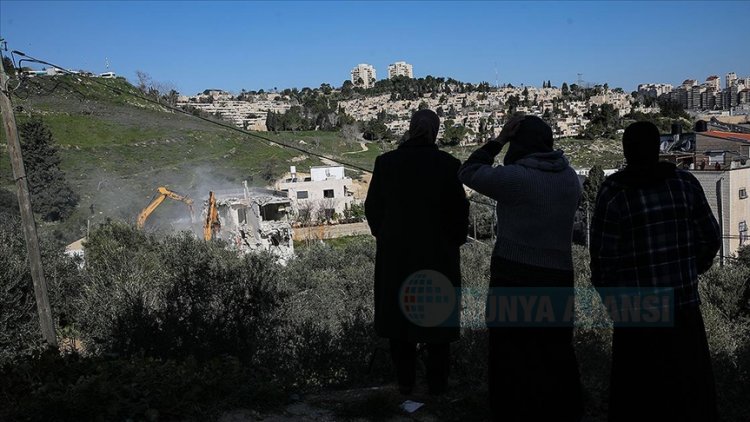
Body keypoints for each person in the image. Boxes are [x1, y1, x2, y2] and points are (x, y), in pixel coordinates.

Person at [590, 121, 721, 422]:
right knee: (691, 398)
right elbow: (710, 238)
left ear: (625, 150)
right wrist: (691, 271)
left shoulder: (613, 193)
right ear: (658, 149)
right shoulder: (685, 183)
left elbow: (602, 262)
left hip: (637, 318)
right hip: (684, 311)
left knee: (638, 401)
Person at [458, 115, 583, 422]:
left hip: (514, 274)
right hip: (558, 275)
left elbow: (469, 170)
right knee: (555, 352)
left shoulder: (516, 178)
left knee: (509, 353)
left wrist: (498, 140)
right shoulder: (570, 179)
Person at [365, 109, 469, 395]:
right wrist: (452, 242)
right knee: (438, 325)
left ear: (410, 129)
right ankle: (437, 388)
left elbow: (373, 209)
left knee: (400, 324)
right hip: (439, 258)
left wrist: (387, 238)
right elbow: (460, 213)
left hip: (396, 258)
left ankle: (406, 385)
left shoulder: (386, 163)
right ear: (435, 132)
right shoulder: (448, 165)